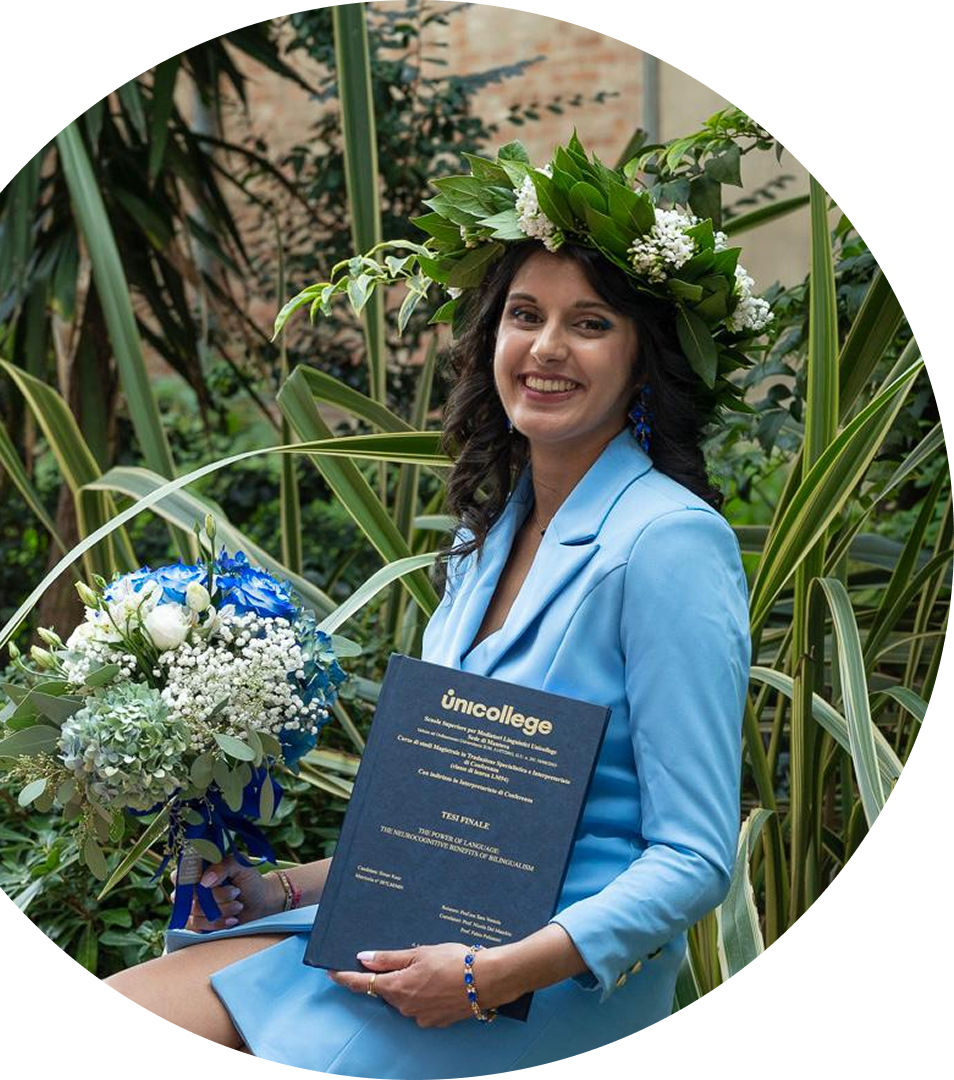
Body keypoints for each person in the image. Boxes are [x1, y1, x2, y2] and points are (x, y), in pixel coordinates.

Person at [103, 132, 766, 1074]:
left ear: (642, 360)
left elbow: (695, 859)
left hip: (541, 987)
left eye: (589, 323)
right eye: (525, 315)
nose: (546, 347)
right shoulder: (483, 537)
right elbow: (437, 823)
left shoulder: (669, 541)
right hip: (408, 942)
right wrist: (277, 889)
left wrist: (489, 978)